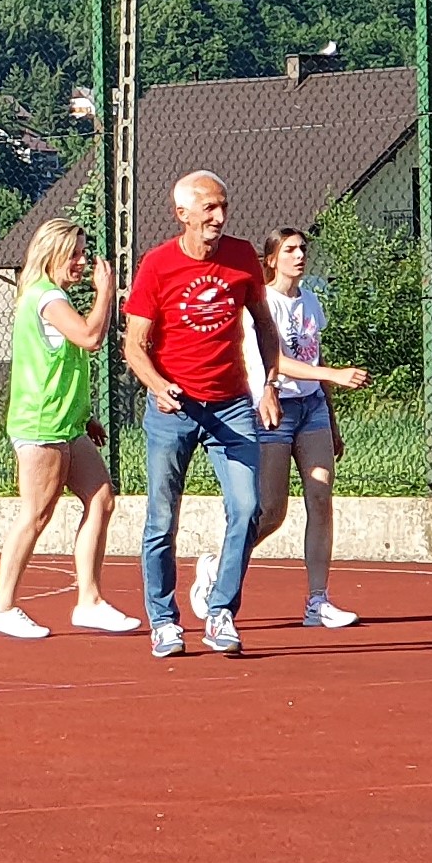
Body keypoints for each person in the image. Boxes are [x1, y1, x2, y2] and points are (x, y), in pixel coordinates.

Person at [123, 171, 283, 659]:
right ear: (183, 214)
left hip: (232, 405)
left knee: (247, 508)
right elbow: (134, 346)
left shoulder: (242, 257)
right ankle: (163, 621)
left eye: (223, 206)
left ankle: (220, 613)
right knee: (162, 518)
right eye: (209, 207)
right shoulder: (157, 265)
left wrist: (269, 384)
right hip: (174, 410)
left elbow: (264, 326)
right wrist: (158, 386)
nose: (219, 215)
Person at [0, 219, 138, 640]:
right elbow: (89, 337)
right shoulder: (47, 296)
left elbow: (63, 363)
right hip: (41, 424)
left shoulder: (51, 296)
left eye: (83, 253)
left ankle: (89, 600)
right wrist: (106, 293)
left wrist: (85, 415)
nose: (81, 262)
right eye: (73, 254)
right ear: (51, 254)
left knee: (101, 499)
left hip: (67, 423)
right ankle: (2, 606)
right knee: (36, 514)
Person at [233, 227, 373, 628]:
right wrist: (334, 375)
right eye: (290, 250)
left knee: (320, 498)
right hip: (274, 409)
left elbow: (315, 356)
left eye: (302, 249)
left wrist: (332, 420)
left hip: (312, 409)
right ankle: (223, 563)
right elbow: (275, 359)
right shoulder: (262, 303)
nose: (299, 255)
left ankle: (317, 601)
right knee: (272, 511)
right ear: (272, 259)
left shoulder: (310, 300)